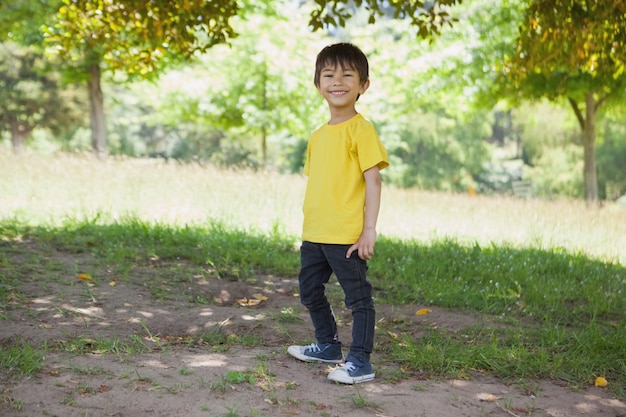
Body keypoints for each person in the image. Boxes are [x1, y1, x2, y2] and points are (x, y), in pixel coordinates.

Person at [287, 42, 389, 384]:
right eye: (328, 75)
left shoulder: (362, 130)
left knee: (358, 299)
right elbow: (321, 183)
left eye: (348, 74)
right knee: (309, 291)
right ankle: (327, 345)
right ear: (318, 85)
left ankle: (360, 362)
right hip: (314, 233)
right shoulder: (317, 137)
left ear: (363, 85)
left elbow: (373, 182)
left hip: (346, 234)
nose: (337, 81)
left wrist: (369, 229)